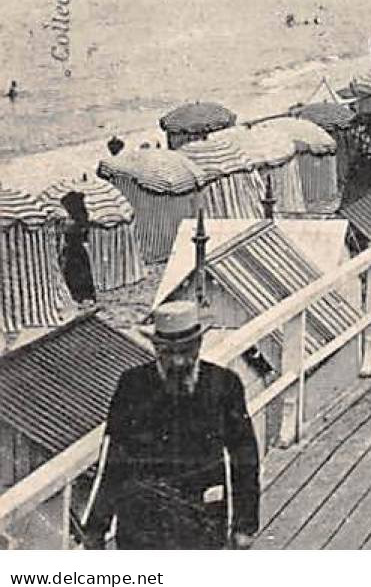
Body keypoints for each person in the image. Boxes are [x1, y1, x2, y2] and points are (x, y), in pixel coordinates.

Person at [81, 302, 260, 550]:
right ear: (155, 348)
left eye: (186, 351)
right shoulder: (132, 386)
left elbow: (244, 457)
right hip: (143, 525)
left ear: (198, 346)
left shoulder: (224, 385)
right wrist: (95, 527)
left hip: (201, 522)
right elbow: (113, 458)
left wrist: (245, 524)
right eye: (167, 352)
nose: (177, 361)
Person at [57, 191, 97, 307]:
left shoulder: (78, 220)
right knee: (78, 273)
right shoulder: (79, 218)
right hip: (75, 250)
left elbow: (74, 231)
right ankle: (83, 296)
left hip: (75, 250)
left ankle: (83, 296)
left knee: (78, 274)